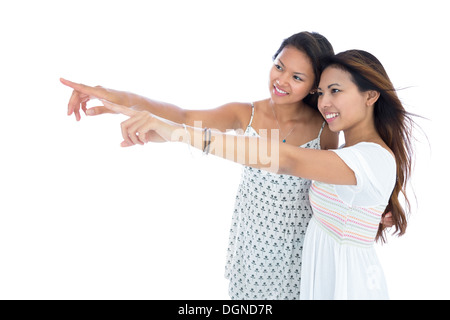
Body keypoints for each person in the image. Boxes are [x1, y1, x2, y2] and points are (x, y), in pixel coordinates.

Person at [91, 49, 413, 300]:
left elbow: (284, 159)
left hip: (347, 285)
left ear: (371, 96)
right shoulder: (346, 150)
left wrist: (176, 131)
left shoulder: (368, 157)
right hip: (308, 276)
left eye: (335, 91)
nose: (325, 102)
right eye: (322, 92)